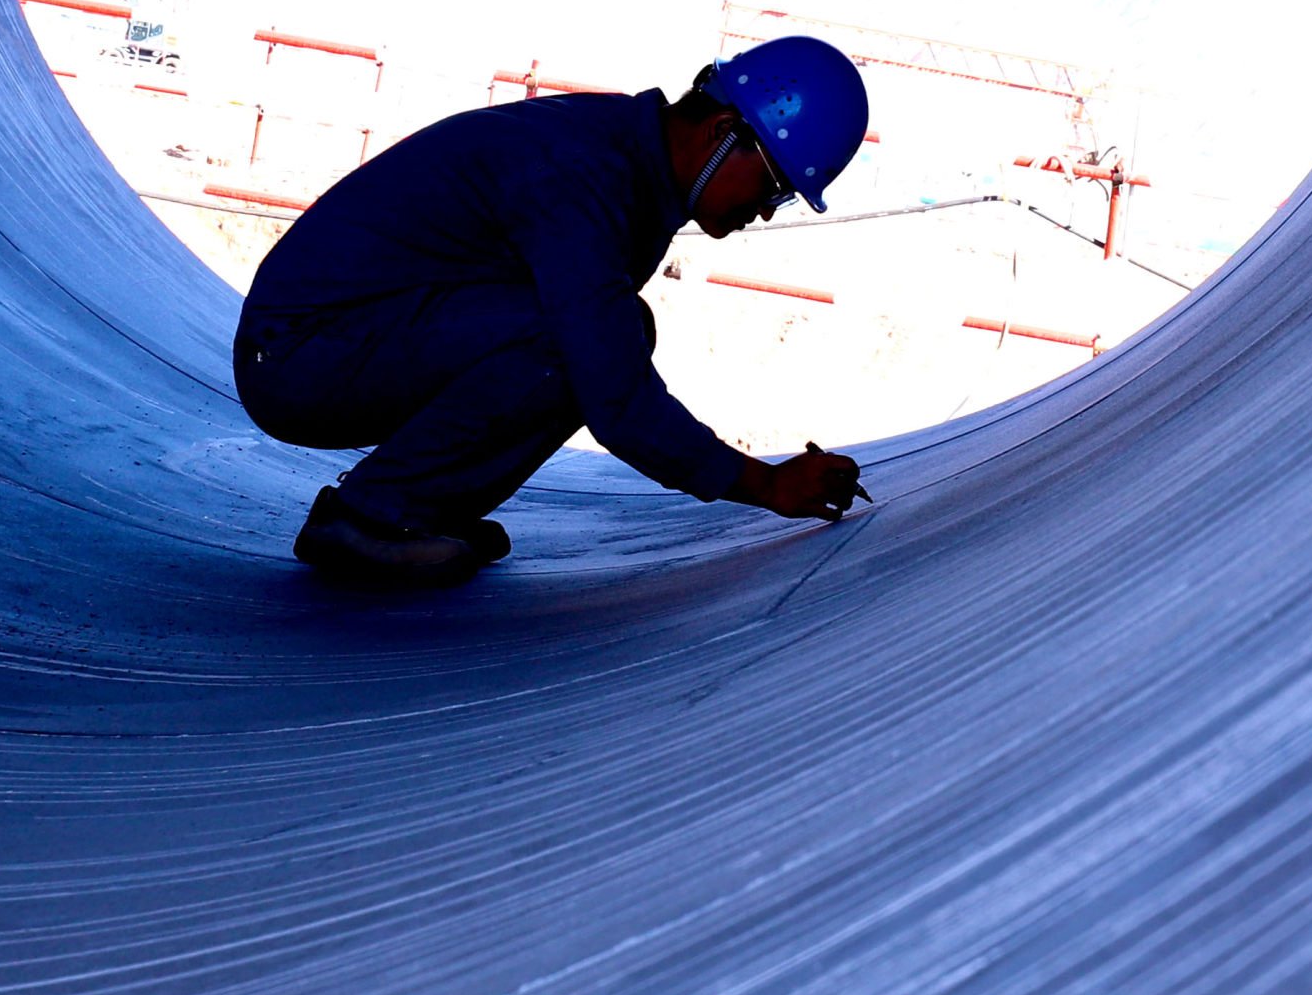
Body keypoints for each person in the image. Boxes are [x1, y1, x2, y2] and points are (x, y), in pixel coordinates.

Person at [233, 34, 875, 586]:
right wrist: (766, 487)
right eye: (776, 187)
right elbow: (617, 401)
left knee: (609, 332)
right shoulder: (586, 175)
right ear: (722, 133)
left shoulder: (626, 163)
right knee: (580, 347)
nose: (766, 210)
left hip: (345, 339)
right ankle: (370, 520)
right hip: (300, 355)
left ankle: (422, 511)